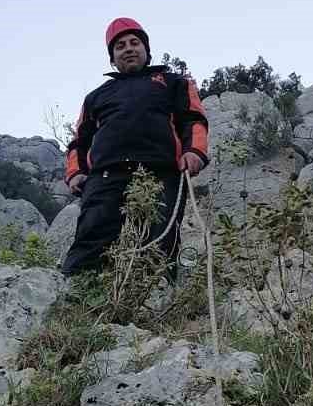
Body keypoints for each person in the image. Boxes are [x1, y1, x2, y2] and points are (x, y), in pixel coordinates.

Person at [61, 18, 210, 278]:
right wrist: (76, 172)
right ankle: (77, 298)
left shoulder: (174, 82)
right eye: (120, 46)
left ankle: (159, 301)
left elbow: (193, 118)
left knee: (161, 242)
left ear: (146, 50)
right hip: (105, 176)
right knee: (91, 239)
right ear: (112, 58)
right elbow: (79, 140)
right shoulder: (96, 96)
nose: (128, 49)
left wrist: (194, 151)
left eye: (134, 43)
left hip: (161, 172)